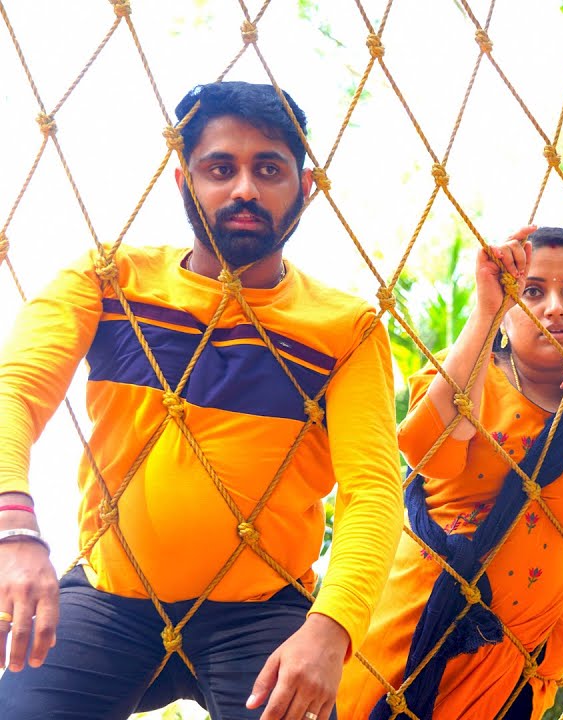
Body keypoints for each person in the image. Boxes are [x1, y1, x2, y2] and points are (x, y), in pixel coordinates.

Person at [0, 81, 403, 720]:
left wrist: (332, 628)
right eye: (220, 169)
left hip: (263, 611)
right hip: (110, 595)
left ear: (304, 187)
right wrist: (14, 533)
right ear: (184, 181)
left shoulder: (344, 328)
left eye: (268, 169)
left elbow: (373, 488)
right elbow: (14, 392)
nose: (244, 189)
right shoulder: (109, 280)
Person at [336, 226, 563, 720]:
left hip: (516, 662)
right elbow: (429, 455)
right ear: (508, 303)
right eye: (532, 291)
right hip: (408, 633)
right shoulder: (463, 368)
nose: (554, 308)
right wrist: (485, 311)